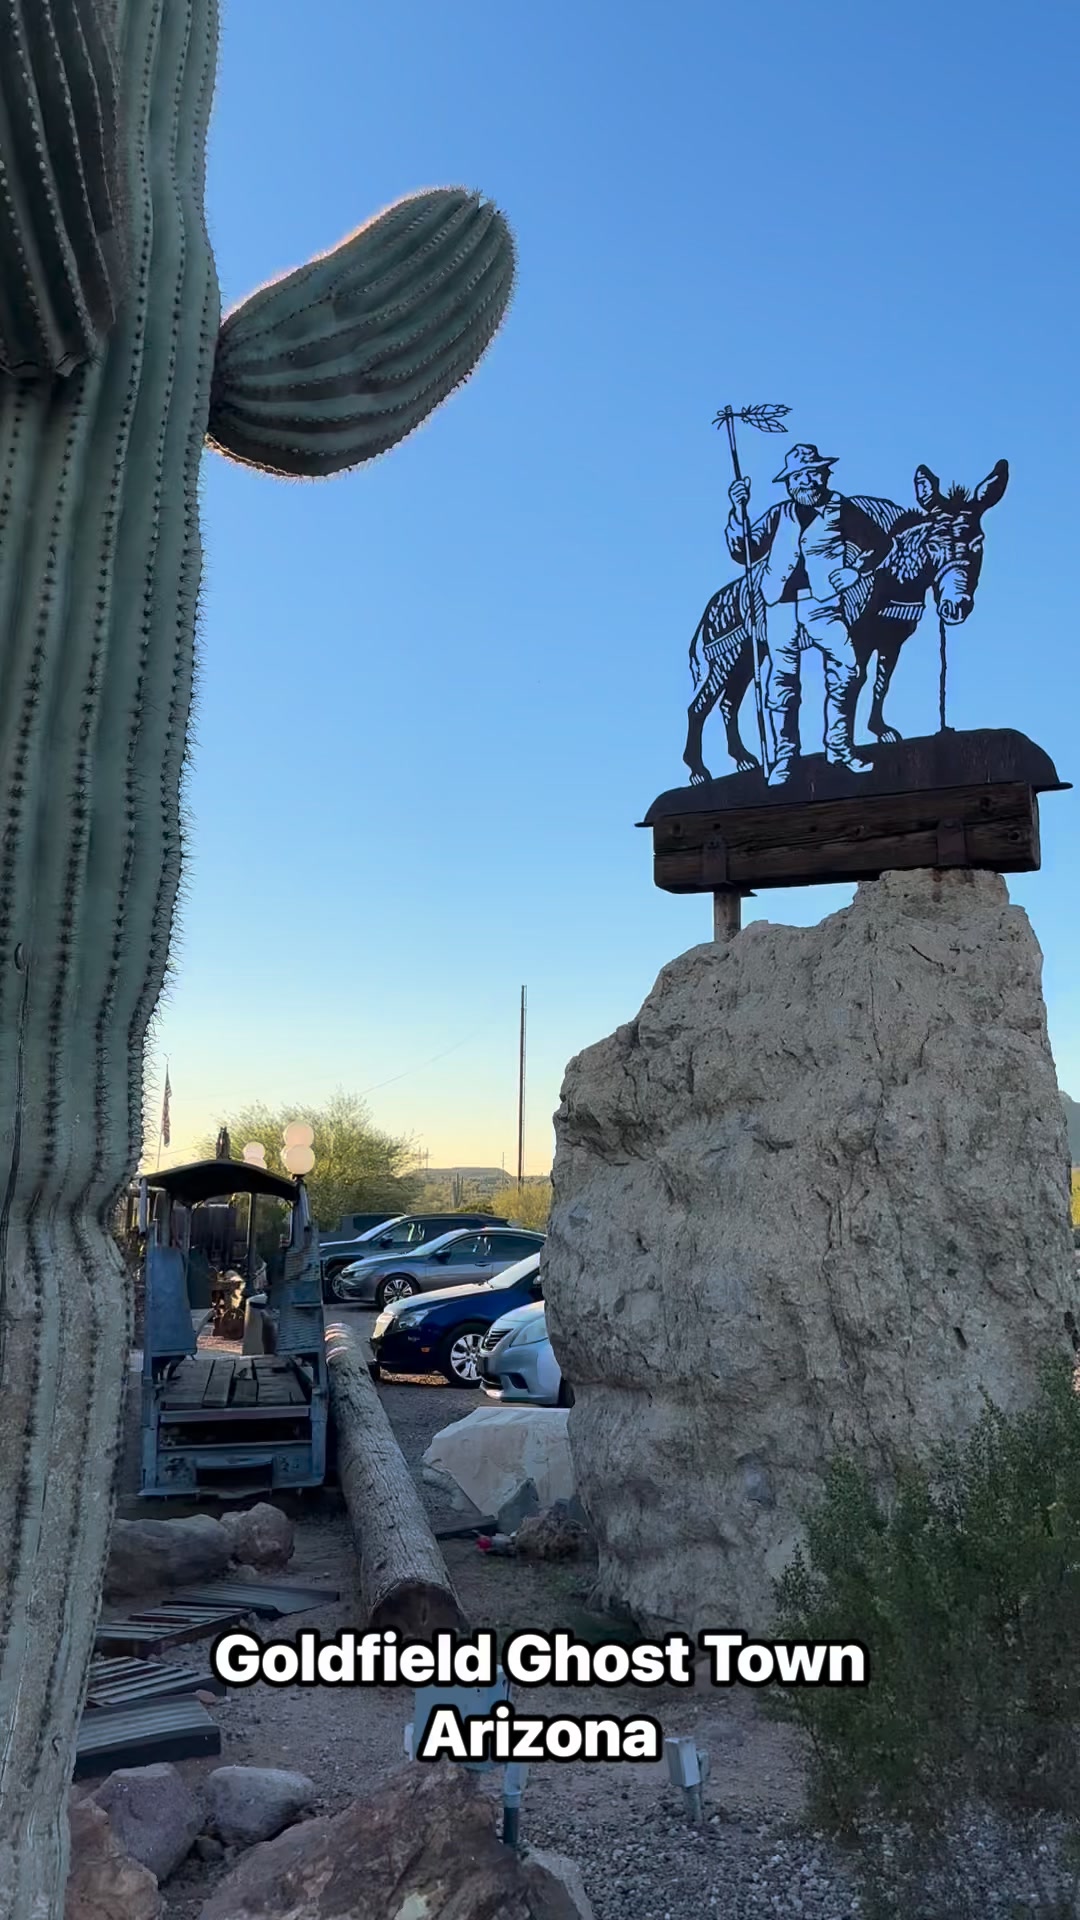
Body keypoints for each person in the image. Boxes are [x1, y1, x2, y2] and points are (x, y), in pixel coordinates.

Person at [726, 443, 890, 785]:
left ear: (825, 475)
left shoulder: (841, 509)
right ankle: (785, 758)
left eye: (814, 473)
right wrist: (736, 510)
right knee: (781, 682)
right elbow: (743, 549)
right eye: (800, 476)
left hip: (823, 603)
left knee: (846, 669)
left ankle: (840, 747)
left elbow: (880, 543)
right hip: (779, 606)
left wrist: (855, 570)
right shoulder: (779, 513)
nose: (808, 481)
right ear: (789, 482)